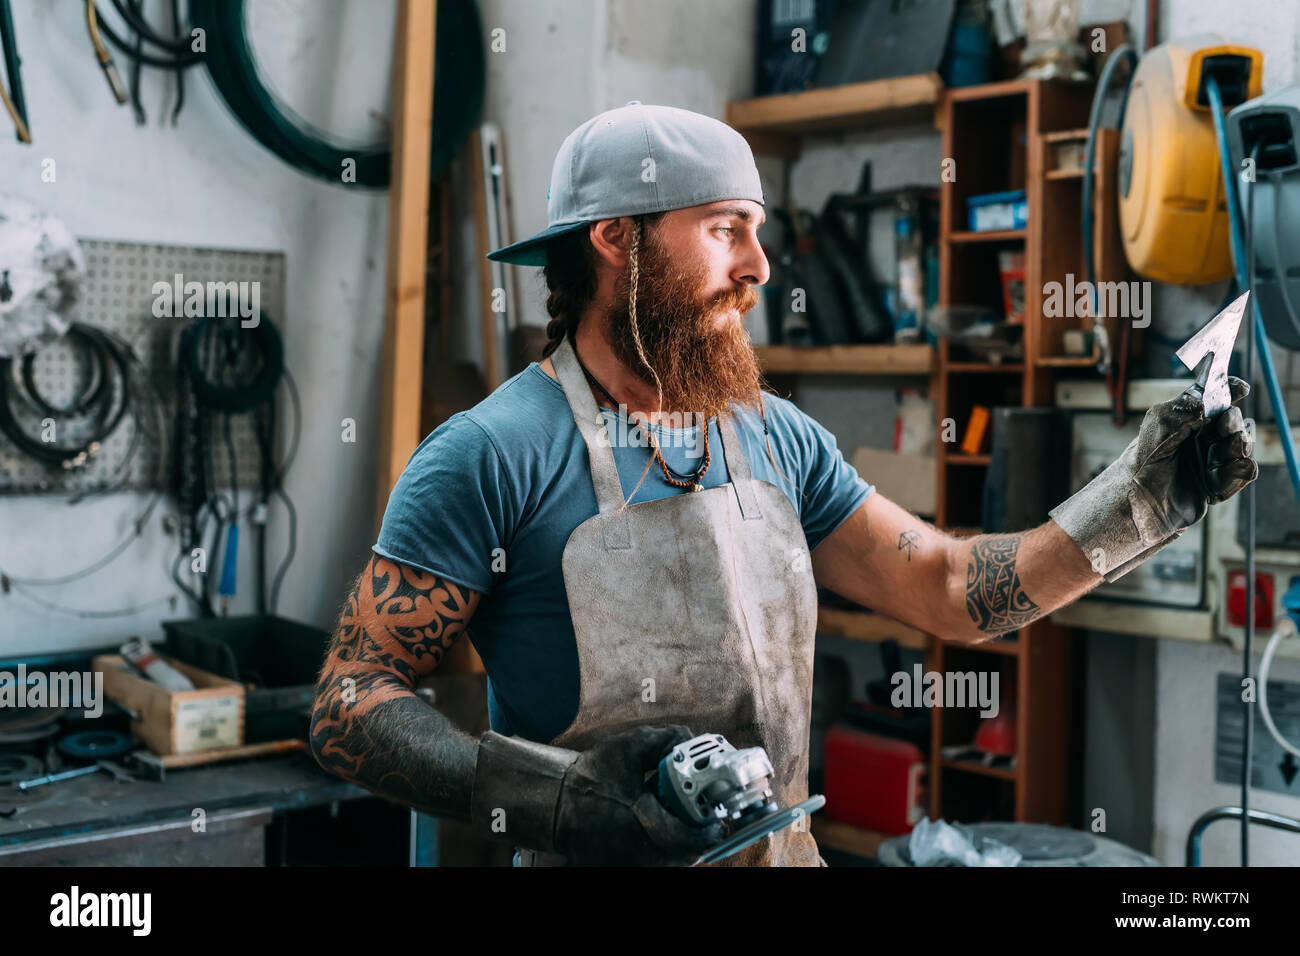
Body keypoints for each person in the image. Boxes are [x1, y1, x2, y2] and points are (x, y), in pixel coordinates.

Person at [309, 103, 1257, 867]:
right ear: (614, 238)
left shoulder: (776, 437)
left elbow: (953, 590)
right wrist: (552, 802)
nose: (759, 267)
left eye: (756, 234)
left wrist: (1137, 503)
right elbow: (349, 698)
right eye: (725, 231)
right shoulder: (489, 454)